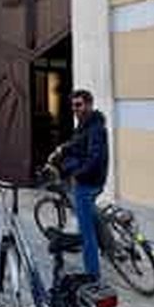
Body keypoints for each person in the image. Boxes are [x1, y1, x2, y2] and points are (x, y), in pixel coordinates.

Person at [49, 88, 109, 280]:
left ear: (89, 104)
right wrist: (61, 149)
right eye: (73, 105)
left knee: (87, 233)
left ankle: (93, 274)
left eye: (79, 105)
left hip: (87, 182)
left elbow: (95, 158)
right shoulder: (85, 125)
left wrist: (76, 175)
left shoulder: (96, 128)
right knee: (92, 214)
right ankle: (112, 245)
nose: (76, 109)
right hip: (91, 179)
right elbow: (76, 143)